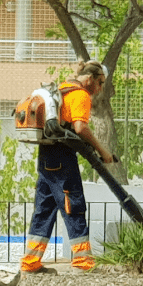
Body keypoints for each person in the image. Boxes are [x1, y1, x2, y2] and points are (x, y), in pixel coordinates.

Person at [21, 60, 117, 273]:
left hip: (46, 156)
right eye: (100, 83)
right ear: (90, 78)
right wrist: (103, 151)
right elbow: (80, 127)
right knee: (73, 204)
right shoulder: (80, 95)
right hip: (63, 157)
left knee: (44, 209)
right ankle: (83, 263)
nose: (100, 88)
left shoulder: (61, 90)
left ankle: (30, 262)